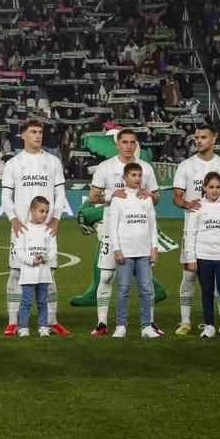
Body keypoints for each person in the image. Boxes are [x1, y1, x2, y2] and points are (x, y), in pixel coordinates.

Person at [81, 130, 161, 337]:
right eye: (124, 142)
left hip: (138, 233)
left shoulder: (146, 169)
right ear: (117, 144)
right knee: (106, 276)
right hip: (111, 230)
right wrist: (109, 196)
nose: (128, 146)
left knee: (146, 280)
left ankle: (149, 323)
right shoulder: (106, 167)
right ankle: (101, 323)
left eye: (132, 142)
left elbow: (157, 198)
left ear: (136, 145)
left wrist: (150, 194)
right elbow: (93, 196)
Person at [0, 120, 69, 335]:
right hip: (21, 228)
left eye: (40, 132)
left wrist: (56, 218)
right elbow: (5, 196)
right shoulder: (13, 163)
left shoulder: (53, 162)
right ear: (23, 135)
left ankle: (51, 320)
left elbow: (60, 194)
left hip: (47, 229)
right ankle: (13, 321)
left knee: (49, 274)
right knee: (15, 272)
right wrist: (14, 220)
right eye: (33, 132)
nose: (38, 136)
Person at [171, 124, 220, 335]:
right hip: (194, 230)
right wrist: (186, 204)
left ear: (213, 139)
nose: (198, 141)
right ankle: (185, 321)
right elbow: (176, 197)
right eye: (196, 137)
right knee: (189, 276)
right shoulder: (185, 165)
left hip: (218, 231)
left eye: (203, 137)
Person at [106, 163, 161, 339]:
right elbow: (112, 227)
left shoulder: (146, 197)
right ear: (125, 178)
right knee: (123, 289)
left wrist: (154, 247)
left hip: (144, 252)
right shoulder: (118, 198)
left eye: (139, 175)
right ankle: (121, 325)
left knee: (146, 289)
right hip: (125, 253)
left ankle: (146, 326)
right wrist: (116, 249)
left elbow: (152, 224)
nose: (137, 178)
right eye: (133, 175)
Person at [183, 172, 220, 338]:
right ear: (204, 188)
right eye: (211, 187)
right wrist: (191, 258)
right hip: (203, 256)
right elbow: (191, 233)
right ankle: (209, 326)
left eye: (218, 187)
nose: (214, 191)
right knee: (206, 291)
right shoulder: (197, 207)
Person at [10, 196, 56, 337]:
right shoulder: (24, 230)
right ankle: (23, 327)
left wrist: (45, 257)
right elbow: (18, 251)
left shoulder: (49, 231)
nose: (44, 214)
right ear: (32, 211)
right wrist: (31, 261)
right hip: (28, 274)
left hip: (44, 274)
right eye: (41, 211)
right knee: (27, 302)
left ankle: (43, 327)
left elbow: (53, 251)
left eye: (47, 212)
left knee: (43, 302)